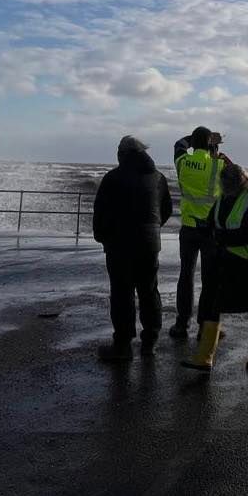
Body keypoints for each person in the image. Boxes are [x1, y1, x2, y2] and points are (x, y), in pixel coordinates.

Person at [91, 136, 173, 361]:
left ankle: (123, 346)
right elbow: (166, 209)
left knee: (122, 293)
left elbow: (100, 212)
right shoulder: (158, 178)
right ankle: (150, 342)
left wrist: (102, 237)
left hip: (119, 245)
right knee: (149, 291)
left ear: (124, 153)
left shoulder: (113, 178)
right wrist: (152, 230)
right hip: (149, 244)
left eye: (119, 150)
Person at [182, 163, 248, 372]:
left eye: (227, 184)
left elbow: (247, 234)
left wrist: (217, 236)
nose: (224, 187)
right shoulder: (223, 198)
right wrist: (205, 227)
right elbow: (214, 222)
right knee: (213, 304)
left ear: (239, 183)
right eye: (223, 184)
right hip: (223, 259)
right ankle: (204, 357)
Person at [171, 127, 230, 339]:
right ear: (210, 144)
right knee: (209, 279)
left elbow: (179, 144)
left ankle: (182, 324)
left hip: (188, 227)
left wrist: (198, 140)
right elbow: (237, 176)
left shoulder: (183, 162)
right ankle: (205, 326)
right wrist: (215, 146)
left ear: (193, 144)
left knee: (186, 276)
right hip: (211, 230)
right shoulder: (218, 164)